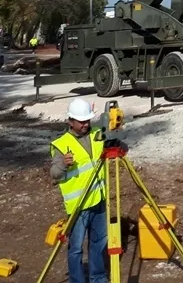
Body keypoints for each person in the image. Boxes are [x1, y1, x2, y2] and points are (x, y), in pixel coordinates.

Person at [49, 98, 109, 283]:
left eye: (87, 121)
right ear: (70, 121)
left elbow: (121, 148)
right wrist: (64, 165)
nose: (85, 124)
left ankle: (98, 278)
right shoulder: (62, 144)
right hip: (78, 206)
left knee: (99, 243)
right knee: (75, 248)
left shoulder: (97, 135)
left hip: (98, 200)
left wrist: (118, 137)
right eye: (81, 121)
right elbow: (55, 174)